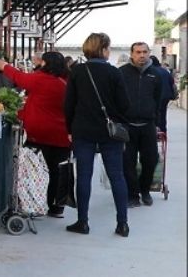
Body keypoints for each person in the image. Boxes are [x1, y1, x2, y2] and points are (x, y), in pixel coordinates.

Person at [64, 33, 130, 237]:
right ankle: (122, 224)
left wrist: (69, 129)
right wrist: (116, 119)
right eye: (108, 48)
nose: (109, 52)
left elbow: (68, 105)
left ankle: (82, 222)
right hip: (110, 133)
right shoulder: (114, 73)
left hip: (83, 131)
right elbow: (125, 105)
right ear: (102, 50)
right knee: (117, 176)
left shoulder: (77, 72)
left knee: (83, 176)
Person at [0, 52, 70, 218]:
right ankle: (56, 207)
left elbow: (20, 78)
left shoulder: (41, 79)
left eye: (42, 61)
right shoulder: (65, 82)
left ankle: (35, 204)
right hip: (62, 134)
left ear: (46, 63)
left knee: (35, 170)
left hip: (39, 133)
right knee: (57, 171)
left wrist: (4, 66)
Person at [119, 42, 162, 207]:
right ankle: (133, 194)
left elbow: (158, 100)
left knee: (151, 160)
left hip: (147, 125)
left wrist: (157, 122)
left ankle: (145, 190)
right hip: (127, 125)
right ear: (132, 54)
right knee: (127, 162)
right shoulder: (121, 73)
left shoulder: (156, 74)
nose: (141, 55)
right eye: (138, 52)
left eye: (144, 52)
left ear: (149, 53)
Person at [150, 56, 177, 133]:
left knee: (155, 113)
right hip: (166, 96)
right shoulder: (165, 71)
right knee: (163, 113)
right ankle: (163, 131)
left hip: (156, 96)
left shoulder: (152, 71)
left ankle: (156, 131)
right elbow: (171, 82)